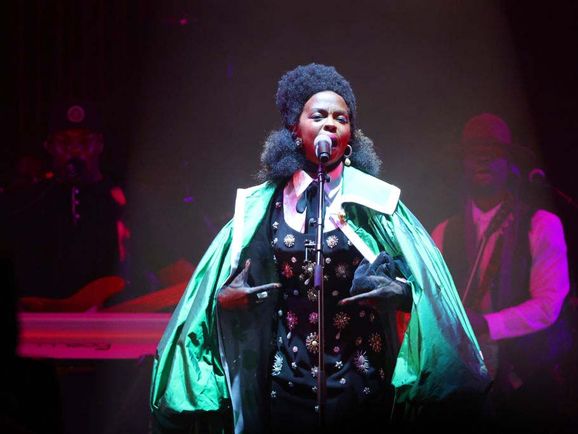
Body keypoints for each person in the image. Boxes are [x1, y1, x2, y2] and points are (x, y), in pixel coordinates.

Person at [150, 63, 491, 434]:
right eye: (318, 115)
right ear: (295, 130)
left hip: (361, 381)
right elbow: (210, 291)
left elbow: (430, 288)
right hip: (286, 382)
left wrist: (403, 292)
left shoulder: (376, 203)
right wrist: (225, 301)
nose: (330, 123)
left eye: (340, 118)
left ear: (350, 135)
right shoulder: (260, 208)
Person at [431, 113, 571, 433]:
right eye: (474, 152)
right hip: (466, 385)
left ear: (509, 163)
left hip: (529, 384)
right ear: (463, 164)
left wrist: (486, 325)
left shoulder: (542, 225)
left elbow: (549, 305)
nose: (482, 159)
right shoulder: (442, 232)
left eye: (491, 151)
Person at [4, 100, 129, 309]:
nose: (75, 151)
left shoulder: (120, 198)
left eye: (84, 142)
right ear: (49, 147)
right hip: (42, 323)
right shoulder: (29, 200)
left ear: (99, 145)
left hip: (108, 322)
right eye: (64, 143)